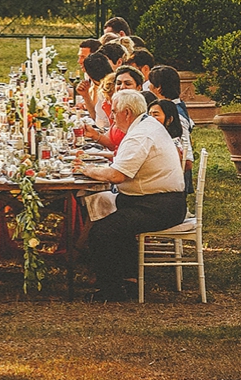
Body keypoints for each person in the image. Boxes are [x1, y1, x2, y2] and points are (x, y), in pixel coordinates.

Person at [75, 89, 187, 301]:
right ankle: (128, 279)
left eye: (114, 112)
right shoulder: (146, 125)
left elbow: (117, 175)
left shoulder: (140, 135)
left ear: (127, 113)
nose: (111, 117)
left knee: (102, 232)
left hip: (160, 205)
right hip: (151, 200)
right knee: (104, 210)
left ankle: (111, 291)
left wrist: (86, 170)